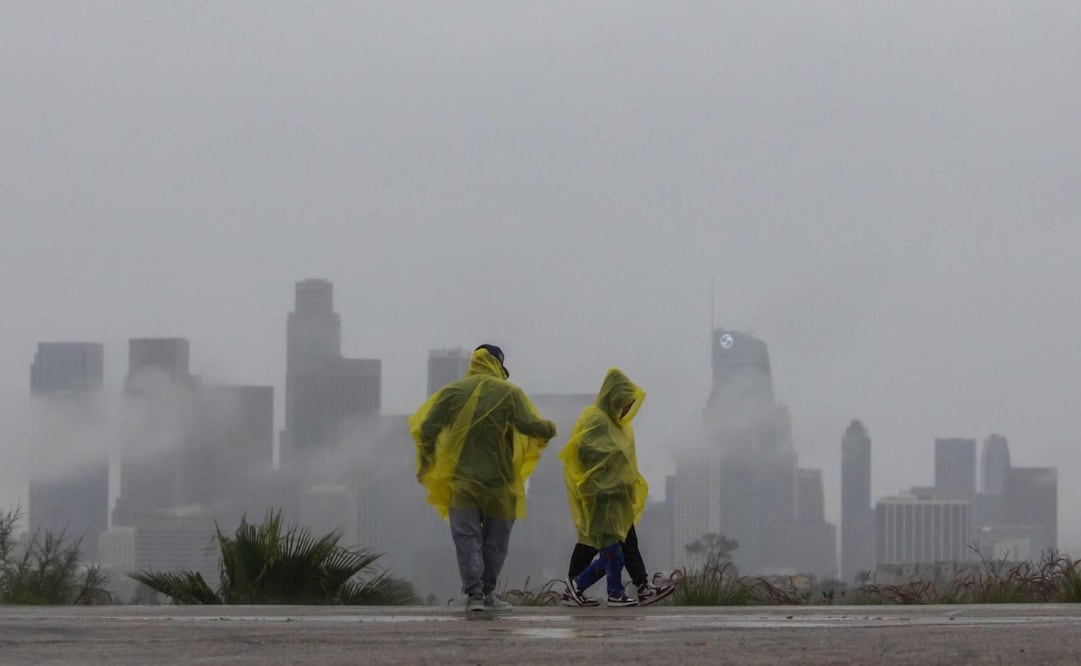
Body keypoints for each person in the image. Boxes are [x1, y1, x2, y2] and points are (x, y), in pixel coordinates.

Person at [410, 344, 557, 612]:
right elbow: (531, 426)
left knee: (466, 538)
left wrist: (427, 460)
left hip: (462, 482)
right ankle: (489, 594)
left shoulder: (453, 392)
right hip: (499, 483)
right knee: (495, 542)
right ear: (498, 365)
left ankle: (474, 596)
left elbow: (428, 428)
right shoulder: (510, 393)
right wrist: (551, 427)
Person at [559, 368, 656, 607]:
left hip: (616, 496)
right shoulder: (594, 419)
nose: (626, 410)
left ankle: (578, 587)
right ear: (613, 397)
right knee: (612, 550)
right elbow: (589, 453)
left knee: (613, 550)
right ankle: (613, 593)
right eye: (624, 403)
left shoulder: (617, 423)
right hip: (600, 495)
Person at [563, 524, 674, 606]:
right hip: (603, 501)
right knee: (605, 546)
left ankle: (575, 586)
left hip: (613, 502)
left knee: (622, 538)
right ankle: (578, 587)